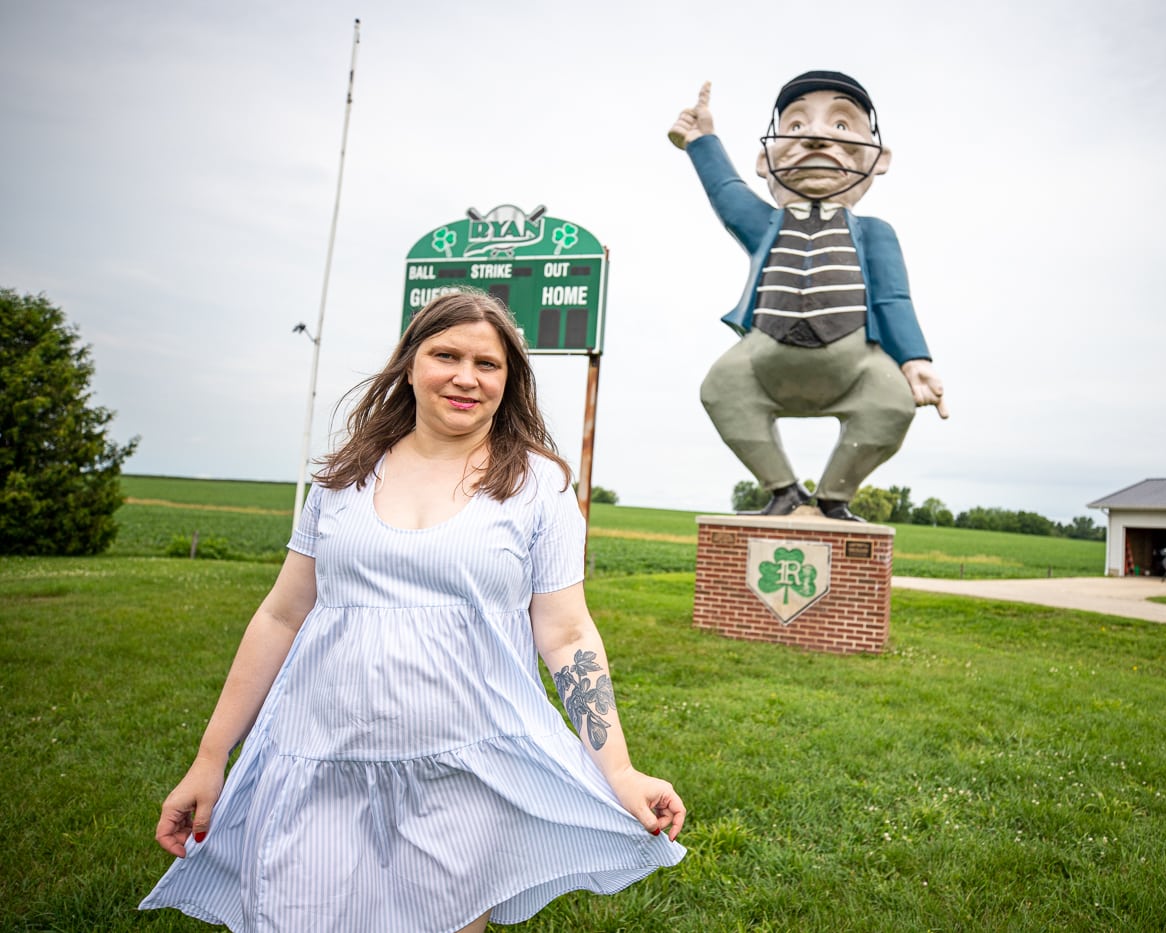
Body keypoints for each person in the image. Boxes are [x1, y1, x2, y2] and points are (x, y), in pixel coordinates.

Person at [140, 289, 686, 932]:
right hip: (318, 759)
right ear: (409, 364)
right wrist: (210, 758)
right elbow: (280, 617)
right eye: (446, 355)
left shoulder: (539, 487)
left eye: (488, 364)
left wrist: (617, 770)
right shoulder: (344, 478)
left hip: (465, 769)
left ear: (510, 383)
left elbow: (566, 634)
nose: (465, 377)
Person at [669, 71, 948, 521]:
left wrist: (916, 360)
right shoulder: (765, 225)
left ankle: (834, 496)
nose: (817, 137)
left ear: (880, 158)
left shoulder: (875, 233)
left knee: (892, 402)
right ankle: (784, 491)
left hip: (855, 358)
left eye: (840, 125)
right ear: (765, 160)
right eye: (796, 126)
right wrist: (702, 140)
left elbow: (894, 298)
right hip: (765, 354)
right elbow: (727, 192)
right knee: (722, 387)